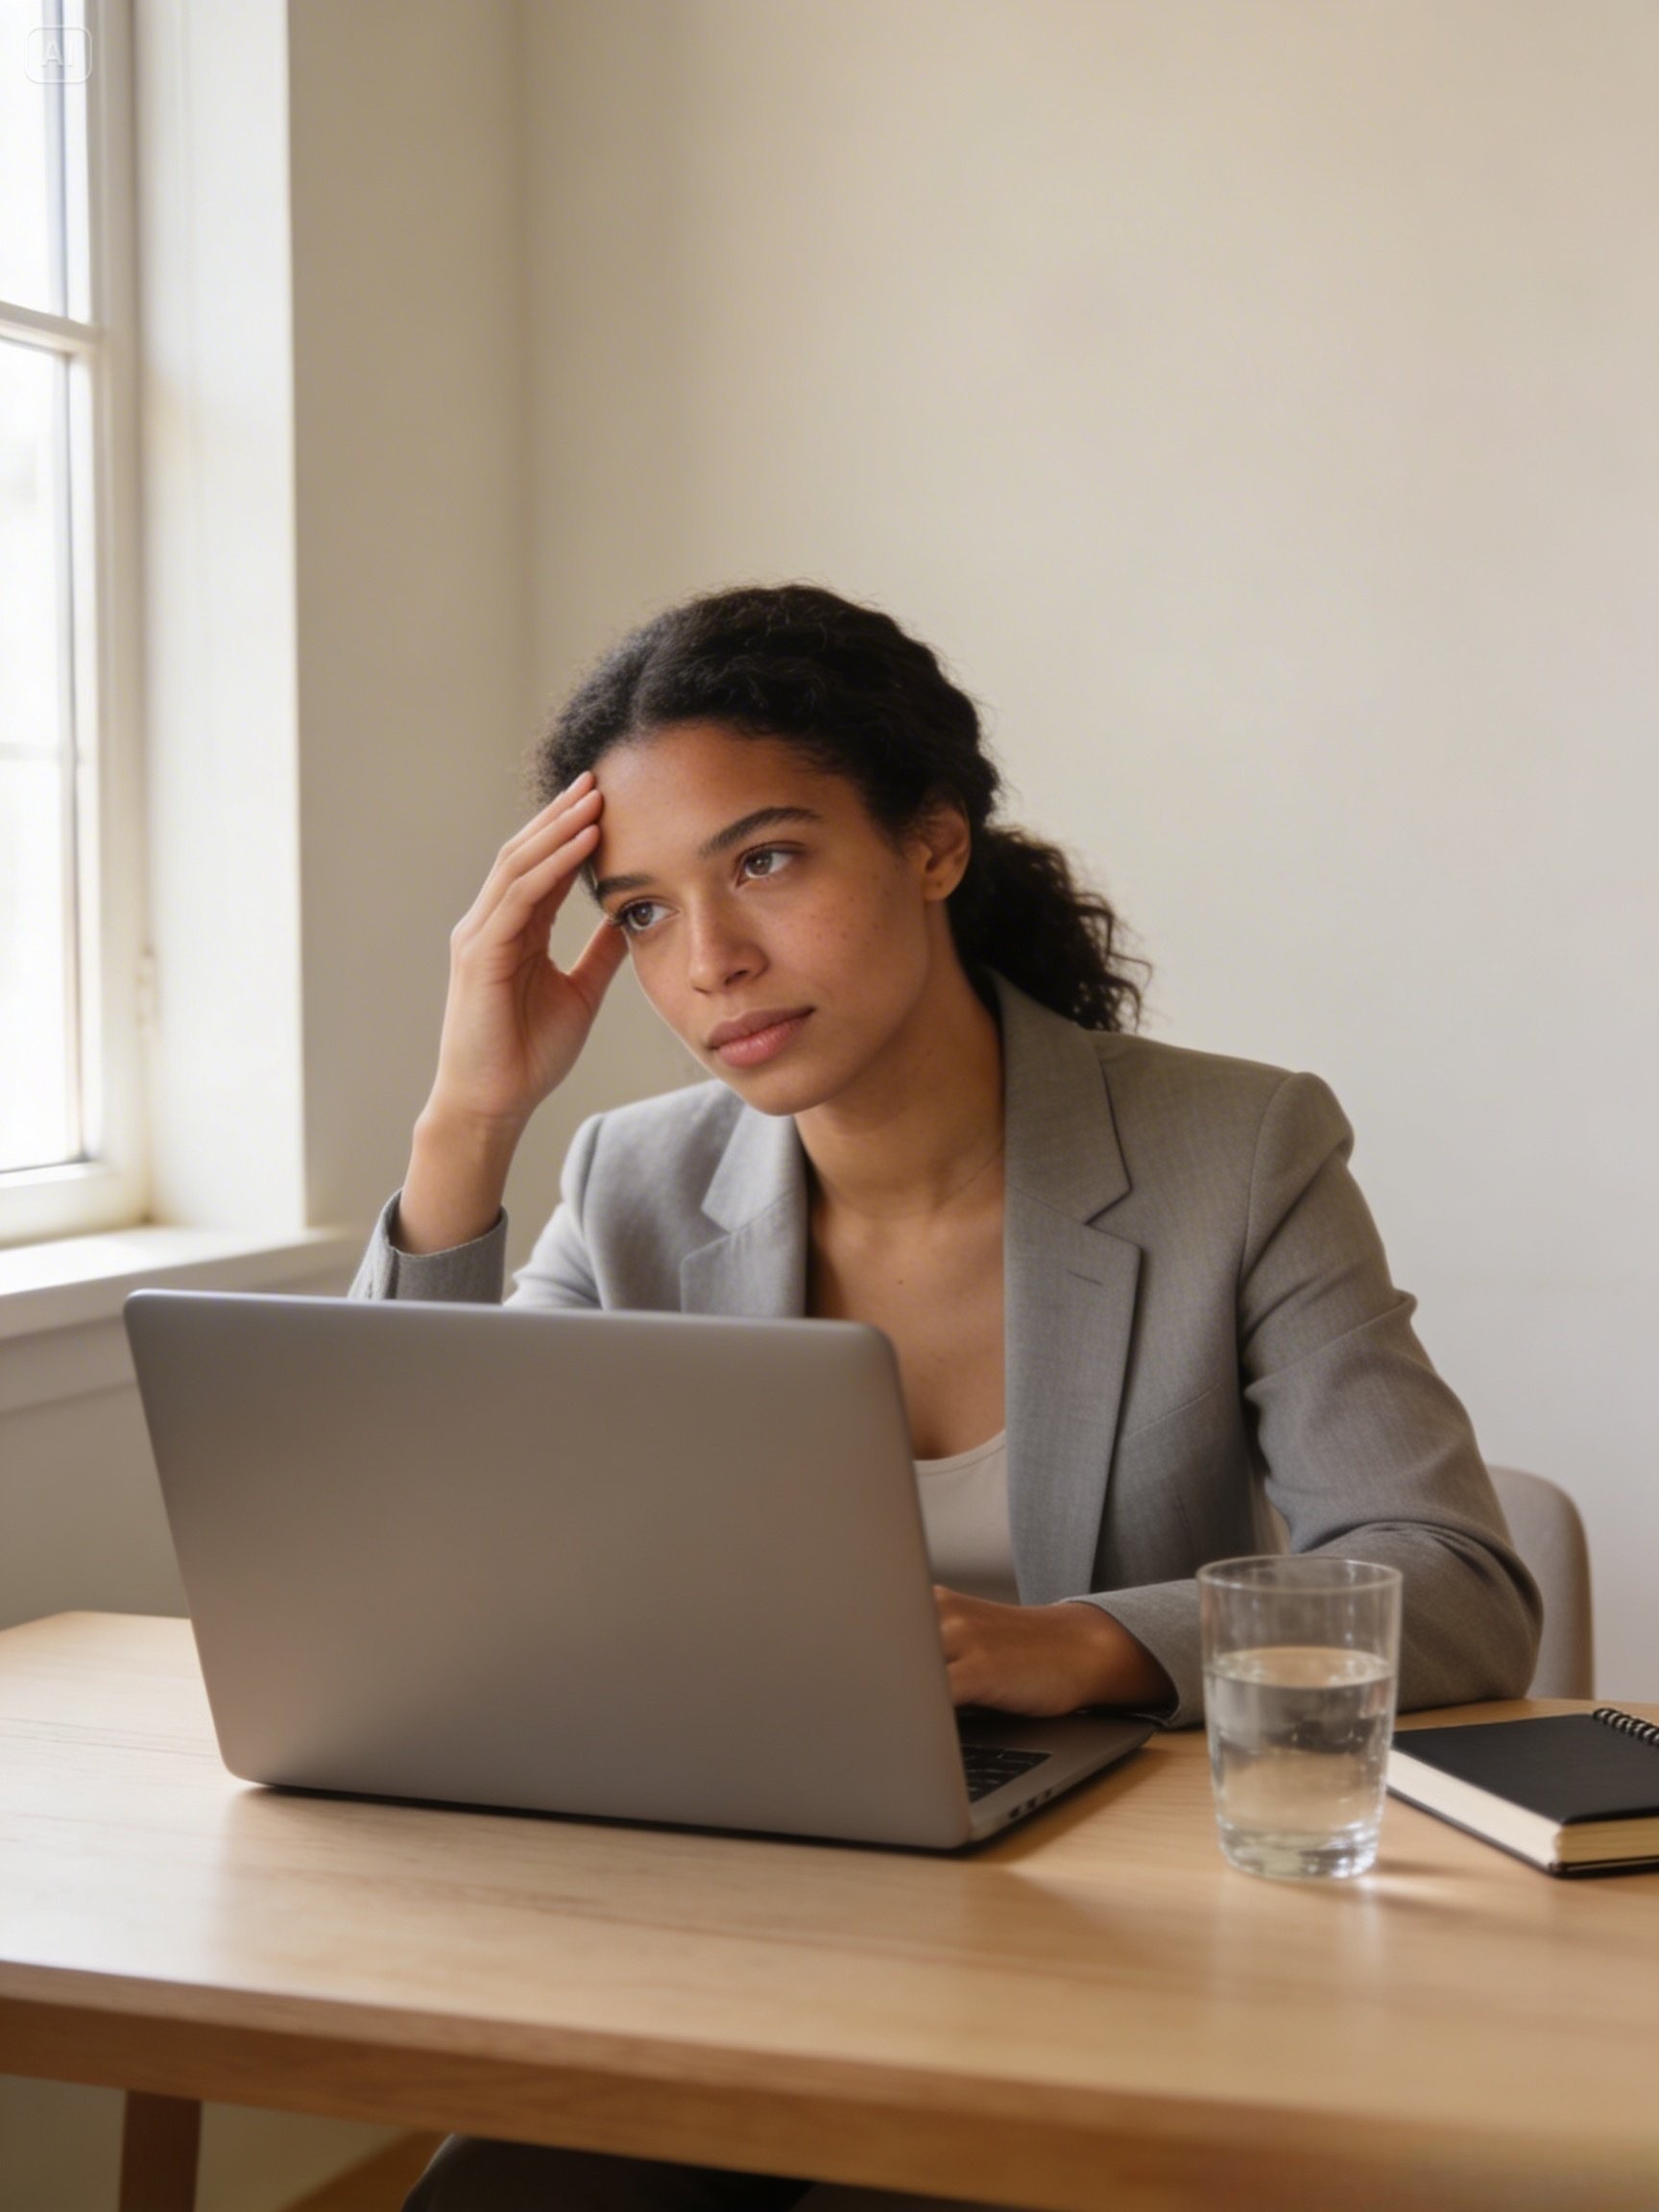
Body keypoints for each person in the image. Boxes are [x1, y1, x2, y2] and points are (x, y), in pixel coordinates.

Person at [352, 581, 1540, 2212]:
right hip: (743, 1934)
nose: (711, 963)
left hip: (1120, 1951)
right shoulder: (629, 1178)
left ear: (930, 843)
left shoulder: (1235, 1152)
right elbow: (401, 1558)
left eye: (766, 860)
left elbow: (1459, 1584)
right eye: (639, 911)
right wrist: (464, 1122)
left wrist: (1083, 1644)